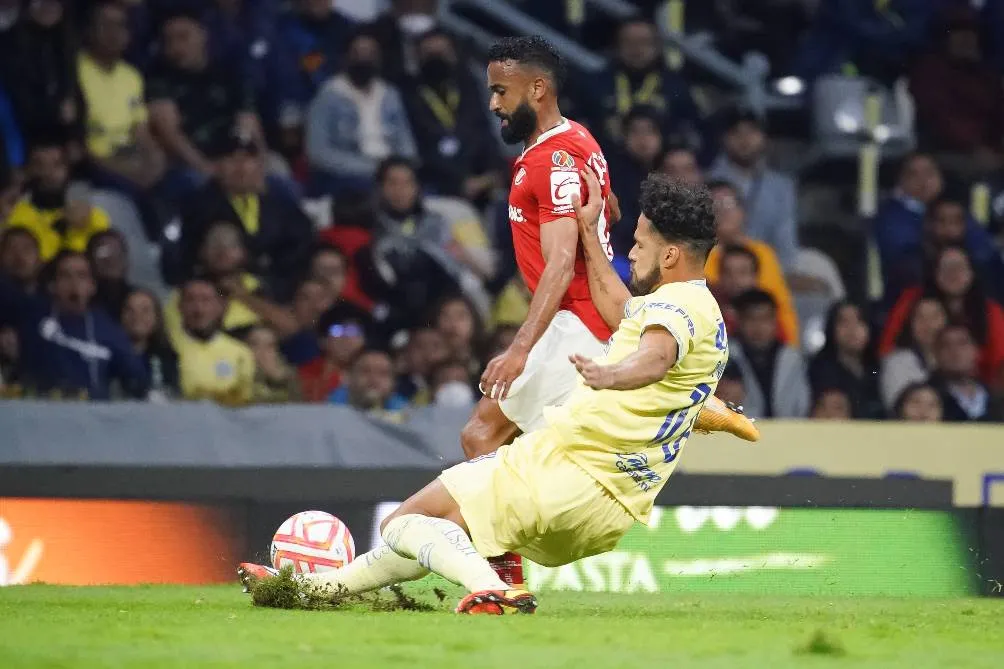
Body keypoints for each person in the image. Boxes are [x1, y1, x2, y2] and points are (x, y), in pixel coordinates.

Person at [239, 170, 729, 615]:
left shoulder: (676, 308)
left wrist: (612, 375)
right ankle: (311, 591)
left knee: (404, 522)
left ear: (670, 255)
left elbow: (655, 358)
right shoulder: (697, 312)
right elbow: (623, 310)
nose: (632, 252)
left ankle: (493, 590)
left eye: (639, 244)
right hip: (605, 509)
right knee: (433, 529)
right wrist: (587, 233)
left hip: (564, 471)